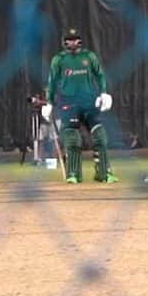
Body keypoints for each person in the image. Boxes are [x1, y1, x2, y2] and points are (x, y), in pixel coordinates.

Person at [45, 27, 113, 184]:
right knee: (72, 140)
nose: (72, 43)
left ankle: (104, 173)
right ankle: (73, 174)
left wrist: (103, 92)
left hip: (89, 102)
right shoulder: (59, 59)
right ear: (64, 42)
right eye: (69, 40)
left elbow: (100, 74)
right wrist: (48, 102)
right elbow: (52, 82)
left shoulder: (89, 56)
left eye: (75, 39)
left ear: (80, 41)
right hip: (68, 103)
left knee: (100, 137)